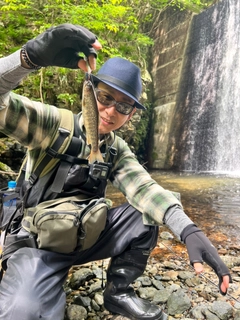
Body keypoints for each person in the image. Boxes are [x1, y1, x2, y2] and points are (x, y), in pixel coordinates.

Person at [0, 23, 231, 320]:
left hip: (85, 238)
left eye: (123, 106)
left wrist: (190, 231)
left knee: (152, 207)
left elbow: (146, 189)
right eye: (105, 98)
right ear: (90, 93)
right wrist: (28, 58)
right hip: (38, 244)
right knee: (25, 313)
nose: (110, 111)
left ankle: (118, 292)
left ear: (132, 114)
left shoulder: (116, 149)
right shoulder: (51, 124)